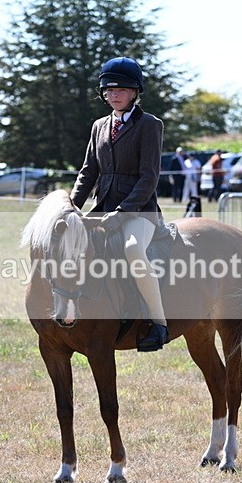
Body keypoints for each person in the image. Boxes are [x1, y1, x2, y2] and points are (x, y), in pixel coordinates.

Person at [69, 56, 169, 352]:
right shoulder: (99, 125)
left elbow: (148, 178)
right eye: (109, 90)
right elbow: (89, 171)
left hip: (139, 212)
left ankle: (158, 323)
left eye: (121, 90)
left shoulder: (150, 125)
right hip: (103, 209)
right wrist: (72, 205)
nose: (114, 95)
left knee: (133, 249)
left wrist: (122, 213)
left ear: (135, 93)